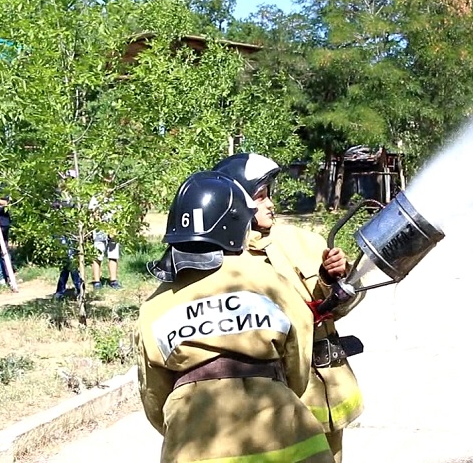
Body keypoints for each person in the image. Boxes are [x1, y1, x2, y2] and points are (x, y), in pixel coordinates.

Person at [136, 171, 333, 463]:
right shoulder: (268, 281)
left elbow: (154, 398)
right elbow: (298, 361)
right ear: (237, 226)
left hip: (194, 444)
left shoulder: (153, 306)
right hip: (287, 439)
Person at [212, 153, 363, 463]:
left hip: (329, 393)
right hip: (273, 408)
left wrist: (337, 279)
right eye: (260, 196)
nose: (270, 204)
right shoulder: (224, 262)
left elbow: (344, 306)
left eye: (269, 195)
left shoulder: (306, 241)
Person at [53, 170, 83, 299]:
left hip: (73, 231)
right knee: (68, 259)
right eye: (67, 179)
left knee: (70, 260)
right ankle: (77, 288)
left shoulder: (78, 195)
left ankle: (62, 290)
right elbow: (53, 210)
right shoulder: (58, 195)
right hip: (60, 230)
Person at [89, 185, 121, 290]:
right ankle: (96, 281)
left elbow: (119, 215)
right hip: (100, 230)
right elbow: (93, 215)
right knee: (97, 256)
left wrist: (115, 229)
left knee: (113, 255)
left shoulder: (116, 199)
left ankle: (113, 280)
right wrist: (102, 226)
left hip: (113, 230)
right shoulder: (96, 198)